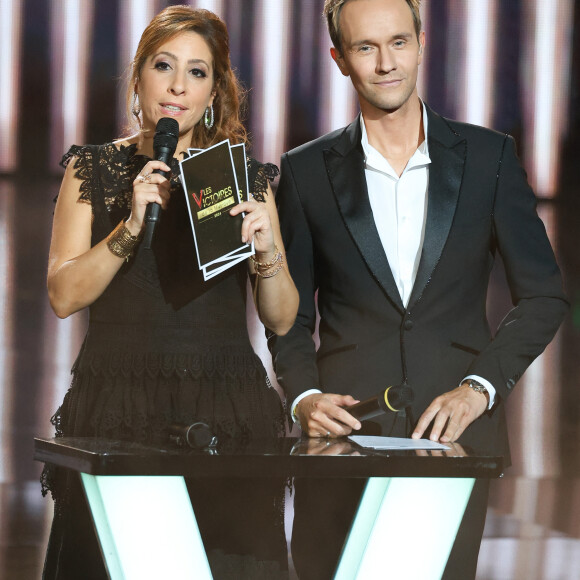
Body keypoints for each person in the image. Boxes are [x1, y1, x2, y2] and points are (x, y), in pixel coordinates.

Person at [268, 0, 569, 578]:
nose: (386, 63)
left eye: (399, 42)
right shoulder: (305, 172)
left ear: (422, 43)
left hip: (452, 441)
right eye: (365, 47)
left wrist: (480, 389)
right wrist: (303, 396)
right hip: (343, 441)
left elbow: (544, 295)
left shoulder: (489, 158)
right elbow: (289, 317)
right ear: (339, 59)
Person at [41, 5, 298, 579]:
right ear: (139, 77)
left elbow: (280, 319)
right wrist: (129, 227)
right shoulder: (94, 169)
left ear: (215, 91)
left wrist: (267, 251)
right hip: (120, 407)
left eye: (198, 72)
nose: (179, 86)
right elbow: (63, 294)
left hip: (225, 407)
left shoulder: (242, 179)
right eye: (164, 66)